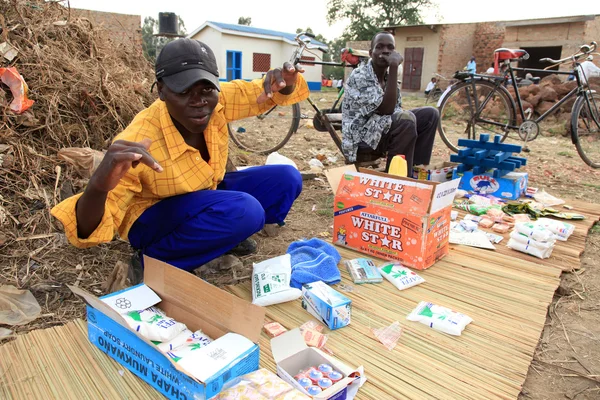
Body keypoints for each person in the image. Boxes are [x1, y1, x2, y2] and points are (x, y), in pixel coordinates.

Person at [51, 38, 309, 281]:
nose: (198, 101)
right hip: (154, 216)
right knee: (245, 210)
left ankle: (225, 234)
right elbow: (90, 230)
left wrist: (282, 83)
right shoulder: (142, 139)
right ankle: (154, 259)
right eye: (184, 91)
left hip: (204, 194)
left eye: (206, 88)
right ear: (162, 91)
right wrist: (97, 186)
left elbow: (260, 92)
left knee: (286, 178)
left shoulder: (217, 100)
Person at [342, 31, 439, 176]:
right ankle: (396, 179)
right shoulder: (360, 75)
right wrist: (394, 67)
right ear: (371, 52)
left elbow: (395, 110)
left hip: (380, 132)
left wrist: (392, 72)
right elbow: (386, 110)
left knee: (430, 114)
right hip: (360, 139)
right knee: (405, 120)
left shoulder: (388, 77)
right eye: (379, 47)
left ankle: (416, 171)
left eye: (390, 48)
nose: (385, 51)